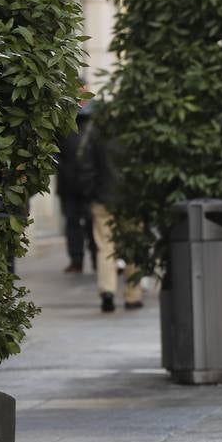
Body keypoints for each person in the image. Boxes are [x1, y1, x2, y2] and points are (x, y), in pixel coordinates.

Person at [77, 112, 144, 313]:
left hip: (103, 198)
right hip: (131, 199)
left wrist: (91, 193)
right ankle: (133, 296)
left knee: (105, 245)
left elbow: (86, 164)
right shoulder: (135, 134)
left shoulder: (97, 133)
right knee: (133, 246)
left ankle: (107, 291)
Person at [56, 100, 96, 273]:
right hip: (69, 184)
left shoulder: (93, 124)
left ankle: (96, 259)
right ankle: (77, 259)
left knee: (92, 223)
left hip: (88, 183)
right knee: (73, 223)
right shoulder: (63, 123)